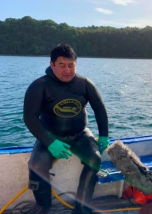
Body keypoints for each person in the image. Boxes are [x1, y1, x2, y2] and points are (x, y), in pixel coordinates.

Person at [24, 44, 109, 214]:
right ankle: (43, 207)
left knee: (95, 160)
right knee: (36, 165)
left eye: (71, 65)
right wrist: (49, 142)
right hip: (50, 135)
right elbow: (30, 117)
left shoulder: (84, 84)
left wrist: (104, 135)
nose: (67, 70)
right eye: (62, 65)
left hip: (80, 134)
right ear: (52, 64)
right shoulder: (39, 86)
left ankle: (82, 208)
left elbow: (99, 108)